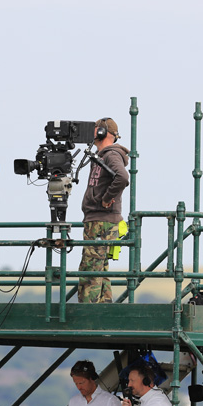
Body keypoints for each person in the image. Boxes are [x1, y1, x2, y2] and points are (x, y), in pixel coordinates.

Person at [78, 117, 130, 303]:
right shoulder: (101, 156)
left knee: (90, 271)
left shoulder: (111, 155)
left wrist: (107, 198)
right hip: (99, 220)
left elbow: (122, 177)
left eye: (95, 130)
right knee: (99, 270)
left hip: (102, 221)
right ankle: (103, 311)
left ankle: (87, 316)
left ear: (102, 132)